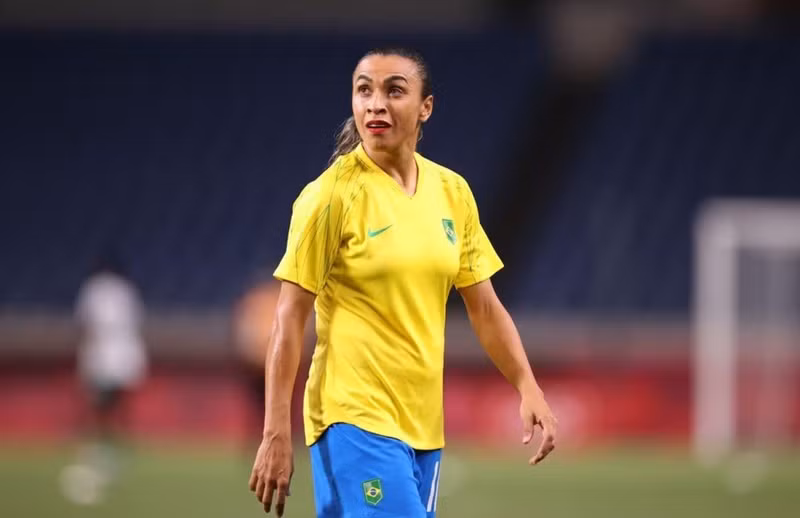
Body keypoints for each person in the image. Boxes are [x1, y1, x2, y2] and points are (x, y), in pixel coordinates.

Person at [249, 48, 557, 517]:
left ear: (425, 107)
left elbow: (485, 308)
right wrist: (275, 431)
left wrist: (527, 385)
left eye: (394, 90)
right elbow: (289, 317)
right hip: (351, 417)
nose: (376, 103)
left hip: (422, 426)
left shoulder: (452, 193)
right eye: (364, 90)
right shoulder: (331, 195)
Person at [61, 252, 148, 504]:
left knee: (99, 405)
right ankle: (116, 447)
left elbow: (85, 324)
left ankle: (102, 447)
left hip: (103, 353)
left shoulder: (94, 290)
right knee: (119, 405)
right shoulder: (125, 290)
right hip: (123, 352)